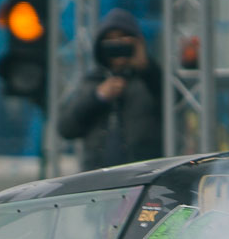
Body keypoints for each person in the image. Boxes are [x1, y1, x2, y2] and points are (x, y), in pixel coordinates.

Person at [59, 9, 166, 171]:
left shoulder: (150, 80)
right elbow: (66, 128)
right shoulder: (92, 81)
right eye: (111, 42)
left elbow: (174, 103)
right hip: (98, 180)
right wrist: (98, 97)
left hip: (143, 176)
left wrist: (146, 67)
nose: (117, 47)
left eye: (123, 41)